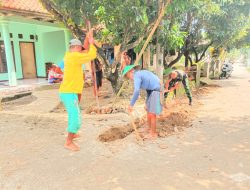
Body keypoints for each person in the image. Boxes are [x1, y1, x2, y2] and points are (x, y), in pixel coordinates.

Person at [59, 31, 97, 151]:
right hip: (69, 92)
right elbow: (91, 55)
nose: (82, 50)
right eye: (80, 48)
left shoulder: (69, 55)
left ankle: (73, 134)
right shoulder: (75, 56)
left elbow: (84, 51)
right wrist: (92, 43)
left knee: (74, 114)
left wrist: (87, 37)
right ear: (76, 47)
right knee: (75, 117)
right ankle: (68, 142)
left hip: (69, 91)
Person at [122, 65, 162, 139]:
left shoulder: (136, 75)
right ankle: (149, 129)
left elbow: (137, 91)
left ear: (131, 72)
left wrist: (131, 105)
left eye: (128, 75)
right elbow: (148, 87)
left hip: (156, 89)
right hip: (151, 90)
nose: (129, 78)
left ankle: (153, 134)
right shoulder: (140, 73)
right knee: (147, 109)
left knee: (152, 113)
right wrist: (146, 102)